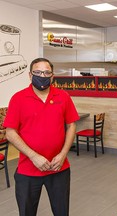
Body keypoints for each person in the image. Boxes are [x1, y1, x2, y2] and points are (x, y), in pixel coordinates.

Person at [4, 58, 79, 216]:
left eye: (46, 72)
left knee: (61, 212)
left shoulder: (63, 96)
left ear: (52, 76)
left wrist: (63, 154)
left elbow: (71, 125)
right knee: (27, 212)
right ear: (30, 75)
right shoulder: (18, 99)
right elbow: (10, 132)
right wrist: (33, 156)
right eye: (37, 72)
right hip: (28, 170)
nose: (42, 76)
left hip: (59, 168)